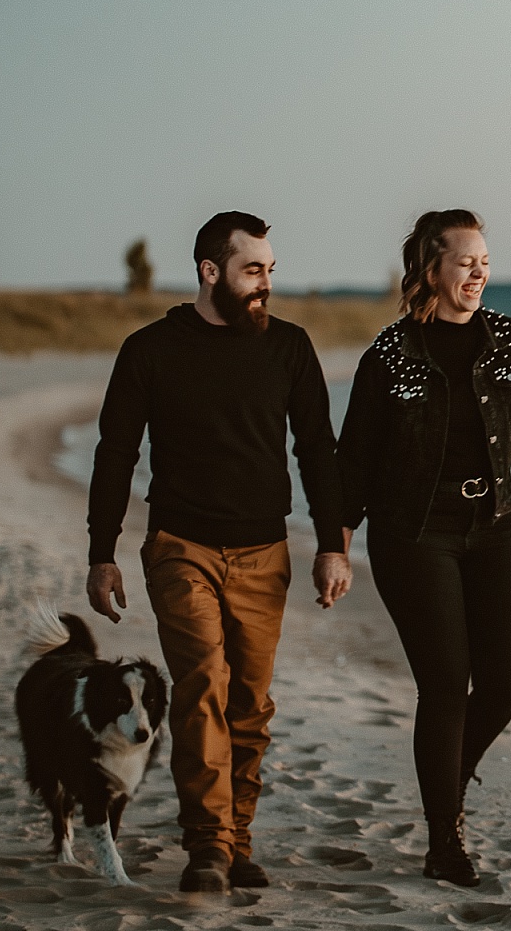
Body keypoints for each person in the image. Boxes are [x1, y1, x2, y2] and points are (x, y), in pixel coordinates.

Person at [83, 211, 352, 893]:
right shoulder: (150, 350)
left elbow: (318, 450)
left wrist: (332, 544)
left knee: (250, 705)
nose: (265, 284)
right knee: (203, 685)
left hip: (266, 552)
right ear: (211, 272)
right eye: (251, 270)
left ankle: (236, 839)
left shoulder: (289, 348)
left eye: (269, 270)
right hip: (182, 547)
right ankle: (207, 847)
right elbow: (116, 452)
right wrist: (103, 552)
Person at [328, 209, 511, 887]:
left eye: (485, 262)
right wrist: (337, 548)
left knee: (508, 683)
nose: (479, 273)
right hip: (414, 535)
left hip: (494, 528)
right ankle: (445, 840)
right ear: (431, 270)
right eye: (466, 262)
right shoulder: (389, 355)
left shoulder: (508, 343)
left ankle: (448, 777)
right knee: (445, 684)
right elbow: (354, 464)